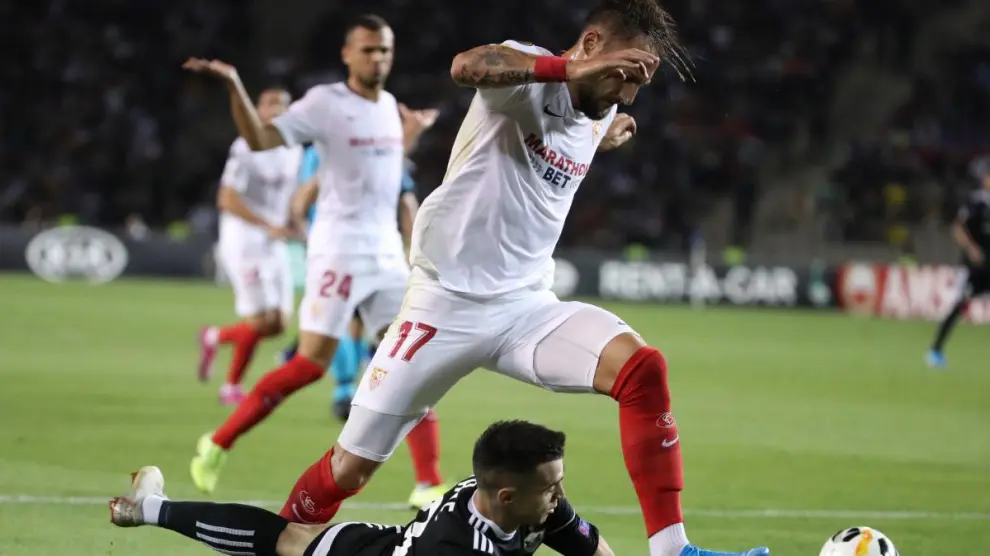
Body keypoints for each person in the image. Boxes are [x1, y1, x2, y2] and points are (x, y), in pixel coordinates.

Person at [271, 2, 770, 555]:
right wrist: (572, 71)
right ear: (590, 44)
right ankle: (275, 541)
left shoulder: (599, 109)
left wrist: (603, 132)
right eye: (623, 73)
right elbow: (467, 66)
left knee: (642, 369)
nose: (627, 94)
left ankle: (674, 550)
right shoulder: (528, 76)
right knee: (350, 468)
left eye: (639, 83)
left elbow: (575, 129)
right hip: (443, 304)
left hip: (526, 308)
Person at [182, 13, 448, 510]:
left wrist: (410, 134)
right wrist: (235, 83)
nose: (377, 58)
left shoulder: (389, 108)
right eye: (368, 49)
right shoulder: (325, 103)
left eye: (385, 50)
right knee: (308, 365)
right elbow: (261, 138)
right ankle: (216, 443)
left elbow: (384, 176)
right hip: (338, 253)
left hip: (384, 255)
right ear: (347, 54)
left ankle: (427, 482)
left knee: (411, 362)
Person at [109, 421, 618, 556]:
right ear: (506, 496)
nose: (560, 496)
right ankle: (150, 509)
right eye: (552, 487)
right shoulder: (457, 548)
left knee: (290, 539)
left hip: (387, 543)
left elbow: (595, 551)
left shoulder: (535, 504)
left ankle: (149, 507)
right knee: (288, 543)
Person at [279, 148, 420, 422]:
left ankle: (349, 388)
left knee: (350, 324)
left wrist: (303, 226)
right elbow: (406, 200)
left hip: (338, 249)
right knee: (356, 325)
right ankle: (351, 389)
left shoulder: (322, 150)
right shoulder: (372, 146)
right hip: (357, 250)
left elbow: (301, 201)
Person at [197, 86, 303, 405]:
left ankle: (215, 337)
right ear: (257, 110)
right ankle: (231, 387)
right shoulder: (245, 146)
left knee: (279, 323)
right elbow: (227, 198)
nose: (275, 109)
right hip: (244, 240)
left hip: (274, 239)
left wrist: (295, 223)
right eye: (269, 104)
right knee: (259, 320)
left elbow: (290, 196)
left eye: (282, 105)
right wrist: (267, 224)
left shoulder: (293, 147)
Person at [927, 161, 990, 368]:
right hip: (975, 267)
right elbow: (958, 228)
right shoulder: (976, 202)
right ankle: (935, 350)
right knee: (959, 306)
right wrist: (972, 249)